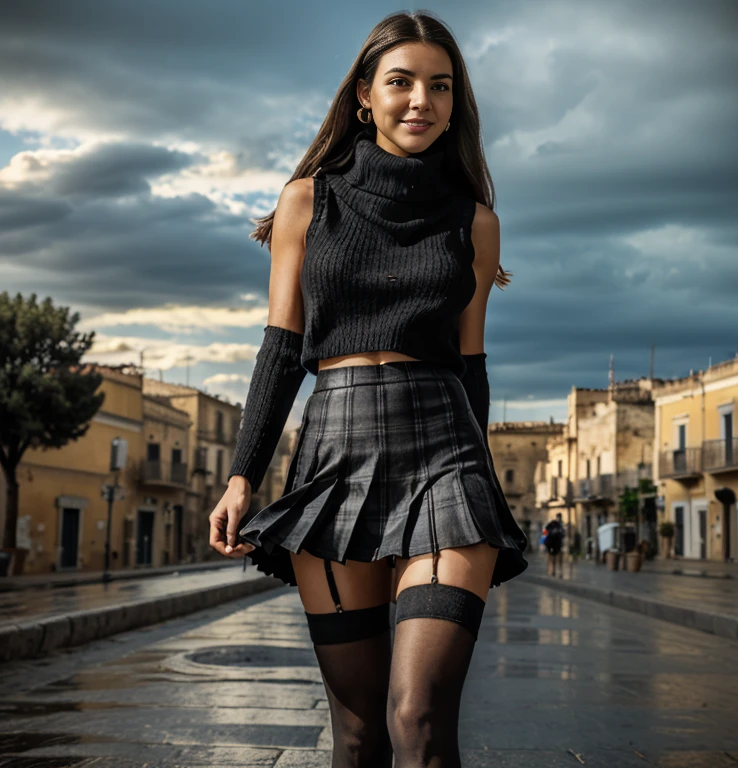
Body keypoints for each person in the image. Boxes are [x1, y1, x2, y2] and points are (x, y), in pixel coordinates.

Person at [209, 11, 528, 765]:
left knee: (418, 717)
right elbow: (282, 348)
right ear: (363, 95)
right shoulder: (307, 202)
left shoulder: (477, 223)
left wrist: (481, 476)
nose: (422, 100)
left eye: (440, 86)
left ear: (456, 105)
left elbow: (470, 362)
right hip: (334, 456)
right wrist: (241, 473)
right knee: (356, 731)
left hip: (444, 453)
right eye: (401, 81)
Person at [544, 513, 565, 577]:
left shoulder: (561, 525)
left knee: (559, 558)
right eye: (559, 517)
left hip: (558, 543)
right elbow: (545, 530)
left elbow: (563, 534)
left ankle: (559, 571)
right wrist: (550, 534)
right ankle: (553, 570)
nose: (559, 519)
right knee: (552, 557)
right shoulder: (553, 523)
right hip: (552, 543)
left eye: (560, 517)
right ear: (557, 517)